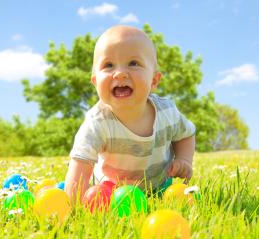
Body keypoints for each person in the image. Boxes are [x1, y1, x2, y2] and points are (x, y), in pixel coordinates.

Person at [65, 25, 196, 202]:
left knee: (174, 198)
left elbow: (186, 134)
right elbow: (80, 165)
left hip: (159, 186)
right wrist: (74, 205)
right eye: (108, 65)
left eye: (133, 63)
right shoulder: (97, 122)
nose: (119, 73)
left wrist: (184, 160)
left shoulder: (167, 112)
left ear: (154, 80)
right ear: (95, 82)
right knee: (99, 198)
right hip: (112, 191)